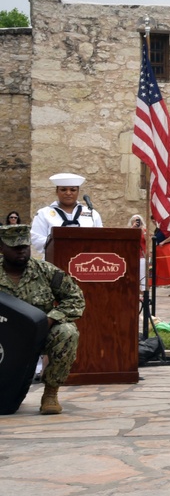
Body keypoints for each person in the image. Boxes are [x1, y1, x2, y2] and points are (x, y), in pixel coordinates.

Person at [0, 224, 86, 414]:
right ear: (2, 248)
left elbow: (75, 298)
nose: (21, 251)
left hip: (38, 333)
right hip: (3, 335)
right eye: (15, 248)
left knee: (67, 332)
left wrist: (50, 320)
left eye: (24, 247)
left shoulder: (45, 271)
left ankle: (50, 393)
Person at [30, 173, 103, 256]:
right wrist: (64, 245)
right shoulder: (43, 213)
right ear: (57, 191)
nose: (68, 193)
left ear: (78, 192)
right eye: (63, 190)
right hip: (54, 261)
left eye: (73, 190)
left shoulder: (92, 214)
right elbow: (37, 239)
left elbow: (100, 239)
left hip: (84, 262)